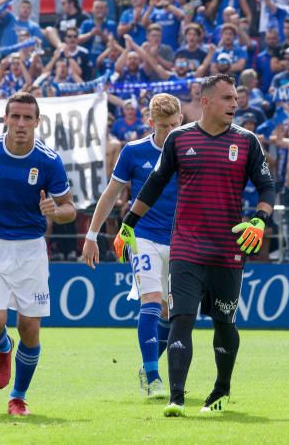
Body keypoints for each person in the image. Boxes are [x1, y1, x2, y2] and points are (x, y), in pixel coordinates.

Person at [115, 74, 276, 417]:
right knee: (180, 319)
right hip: (186, 248)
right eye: (227, 99)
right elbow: (154, 184)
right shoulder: (179, 139)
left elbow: (267, 186)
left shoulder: (248, 142)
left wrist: (260, 219)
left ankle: (220, 391)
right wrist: (127, 225)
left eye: (235, 98)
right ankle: (175, 397)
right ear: (205, 102)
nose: (235, 104)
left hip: (227, 249)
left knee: (223, 323)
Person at [0, 92, 76, 417]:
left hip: (30, 250)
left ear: (37, 122)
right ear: (6, 119)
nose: (21, 124)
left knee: (30, 328)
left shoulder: (48, 160)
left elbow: (70, 208)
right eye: (15, 117)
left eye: (28, 118)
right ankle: (2, 348)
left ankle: (18, 397)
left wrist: (55, 210)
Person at [82, 94, 183, 399]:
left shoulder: (189, 148)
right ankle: (153, 376)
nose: (169, 131)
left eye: (174, 124)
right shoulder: (134, 152)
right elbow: (111, 194)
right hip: (144, 237)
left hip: (181, 240)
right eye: (163, 125)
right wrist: (91, 235)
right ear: (151, 123)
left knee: (171, 312)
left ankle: (147, 365)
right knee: (151, 301)